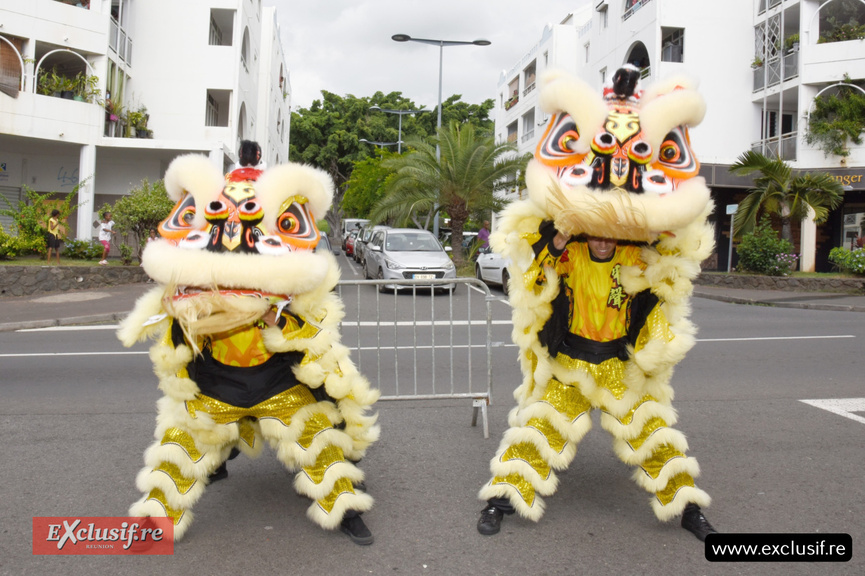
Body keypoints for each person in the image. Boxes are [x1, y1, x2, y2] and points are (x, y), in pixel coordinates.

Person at [477, 227, 716, 541]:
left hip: (618, 365)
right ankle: (500, 501)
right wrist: (557, 241)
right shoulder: (572, 254)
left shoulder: (633, 255)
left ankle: (689, 509)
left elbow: (671, 267)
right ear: (585, 233)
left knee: (653, 433)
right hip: (571, 365)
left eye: (609, 234)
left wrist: (656, 232)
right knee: (536, 428)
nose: (603, 241)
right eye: (595, 233)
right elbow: (533, 277)